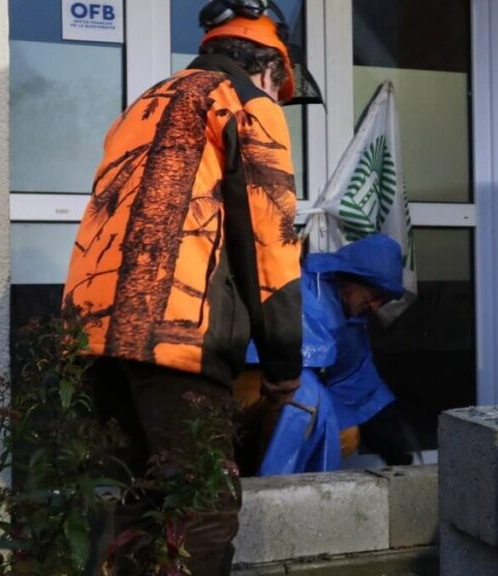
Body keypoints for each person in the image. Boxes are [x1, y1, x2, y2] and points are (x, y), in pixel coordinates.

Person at [62, 1, 316, 572]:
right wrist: (282, 363)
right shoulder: (249, 103)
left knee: (137, 501)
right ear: (271, 69)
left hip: (94, 336)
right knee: (204, 507)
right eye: (281, 87)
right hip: (175, 337)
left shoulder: (147, 103)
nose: (279, 99)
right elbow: (268, 241)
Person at [237, 233, 417, 474]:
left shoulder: (351, 318)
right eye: (373, 293)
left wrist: (398, 450)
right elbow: (291, 365)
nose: (375, 305)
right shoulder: (304, 287)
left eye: (382, 300)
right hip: (246, 385)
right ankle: (268, 485)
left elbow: (357, 382)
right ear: (350, 277)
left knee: (346, 434)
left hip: (290, 395)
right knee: (304, 399)